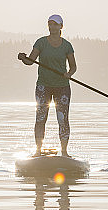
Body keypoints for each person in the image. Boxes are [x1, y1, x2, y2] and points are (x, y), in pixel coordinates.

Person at [18, 14, 77, 157]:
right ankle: (38, 151)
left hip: (62, 86)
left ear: (61, 27)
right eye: (50, 24)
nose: (52, 27)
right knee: (40, 118)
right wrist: (23, 59)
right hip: (43, 86)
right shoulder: (41, 43)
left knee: (62, 119)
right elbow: (30, 61)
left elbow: (73, 67)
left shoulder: (67, 45)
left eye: (56, 24)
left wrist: (69, 74)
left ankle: (64, 152)